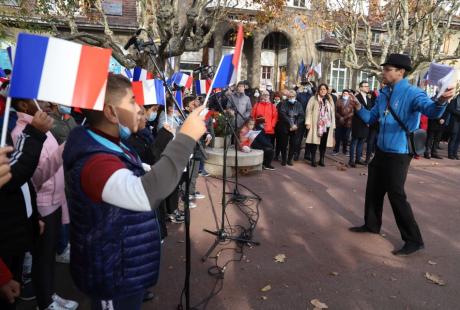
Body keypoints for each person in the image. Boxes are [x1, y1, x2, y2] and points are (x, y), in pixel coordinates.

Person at [62, 73, 206, 309]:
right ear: (110, 112)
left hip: (125, 266)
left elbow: (137, 171)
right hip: (111, 274)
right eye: (131, 101)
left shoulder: (110, 143)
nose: (139, 108)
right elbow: (145, 194)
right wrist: (186, 137)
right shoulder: (94, 162)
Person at [349, 53, 455, 256]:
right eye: (384, 68)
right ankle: (371, 225)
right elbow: (371, 119)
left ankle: (414, 240)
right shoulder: (383, 94)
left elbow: (431, 111)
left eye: (387, 69)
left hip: (399, 153)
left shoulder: (414, 93)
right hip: (381, 150)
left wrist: (441, 100)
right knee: (373, 189)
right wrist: (359, 107)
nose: (384, 72)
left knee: (396, 195)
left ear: (400, 72)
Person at [10, 99, 76, 310]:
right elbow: (33, 177)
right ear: (22, 105)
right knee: (42, 257)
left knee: (49, 257)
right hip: (42, 205)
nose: (46, 103)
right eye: (37, 99)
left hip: (55, 200)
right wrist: (62, 151)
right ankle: (44, 302)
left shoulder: (43, 127)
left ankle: (49, 294)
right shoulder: (21, 133)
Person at [0, 111, 53, 310]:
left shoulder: (6, 118)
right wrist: (35, 133)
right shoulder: (18, 127)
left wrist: (31, 216)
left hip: (16, 229)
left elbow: (22, 184)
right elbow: (12, 174)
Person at [305, 84, 336, 167]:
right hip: (316, 124)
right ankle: (313, 159)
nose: (323, 91)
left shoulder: (329, 99)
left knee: (323, 142)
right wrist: (308, 122)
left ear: (327, 90)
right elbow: (309, 111)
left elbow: (332, 112)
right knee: (314, 142)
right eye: (321, 89)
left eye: (324, 89)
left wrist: (333, 125)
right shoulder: (313, 99)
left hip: (327, 124)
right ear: (318, 90)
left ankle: (321, 159)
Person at [277, 90, 304, 166]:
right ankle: (284, 159)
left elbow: (301, 116)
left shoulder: (299, 104)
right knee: (283, 144)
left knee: (293, 144)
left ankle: (290, 159)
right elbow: (283, 114)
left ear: (295, 96)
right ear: (288, 97)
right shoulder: (283, 104)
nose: (291, 98)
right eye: (290, 96)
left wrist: (296, 125)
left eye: (293, 96)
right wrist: (291, 124)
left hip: (295, 127)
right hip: (285, 126)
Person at [349, 81, 371, 167]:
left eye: (368, 86)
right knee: (354, 142)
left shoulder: (369, 99)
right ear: (361, 88)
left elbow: (370, 110)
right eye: (365, 86)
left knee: (361, 142)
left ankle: (358, 159)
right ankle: (351, 160)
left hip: (366, 124)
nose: (367, 87)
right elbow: (355, 110)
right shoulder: (356, 97)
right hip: (357, 123)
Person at [293, 83, 312, 161]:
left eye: (307, 86)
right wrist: (297, 86)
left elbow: (318, 92)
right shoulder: (299, 94)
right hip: (300, 119)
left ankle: (307, 154)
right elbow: (292, 94)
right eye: (305, 86)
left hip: (309, 119)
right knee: (298, 138)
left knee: (309, 137)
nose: (305, 88)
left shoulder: (312, 95)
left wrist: (312, 86)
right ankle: (296, 153)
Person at [333, 90, 353, 155]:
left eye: (346, 93)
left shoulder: (351, 102)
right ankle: (336, 150)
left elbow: (352, 112)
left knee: (346, 137)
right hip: (339, 122)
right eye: (344, 93)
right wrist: (340, 117)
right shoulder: (338, 101)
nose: (345, 94)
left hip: (348, 122)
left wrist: (344, 118)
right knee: (337, 136)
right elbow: (335, 111)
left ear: (348, 94)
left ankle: (345, 150)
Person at [447, 93, 460, 160]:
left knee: (458, 139)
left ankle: (455, 153)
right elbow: (451, 109)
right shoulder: (454, 100)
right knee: (453, 137)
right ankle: (450, 154)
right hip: (455, 121)